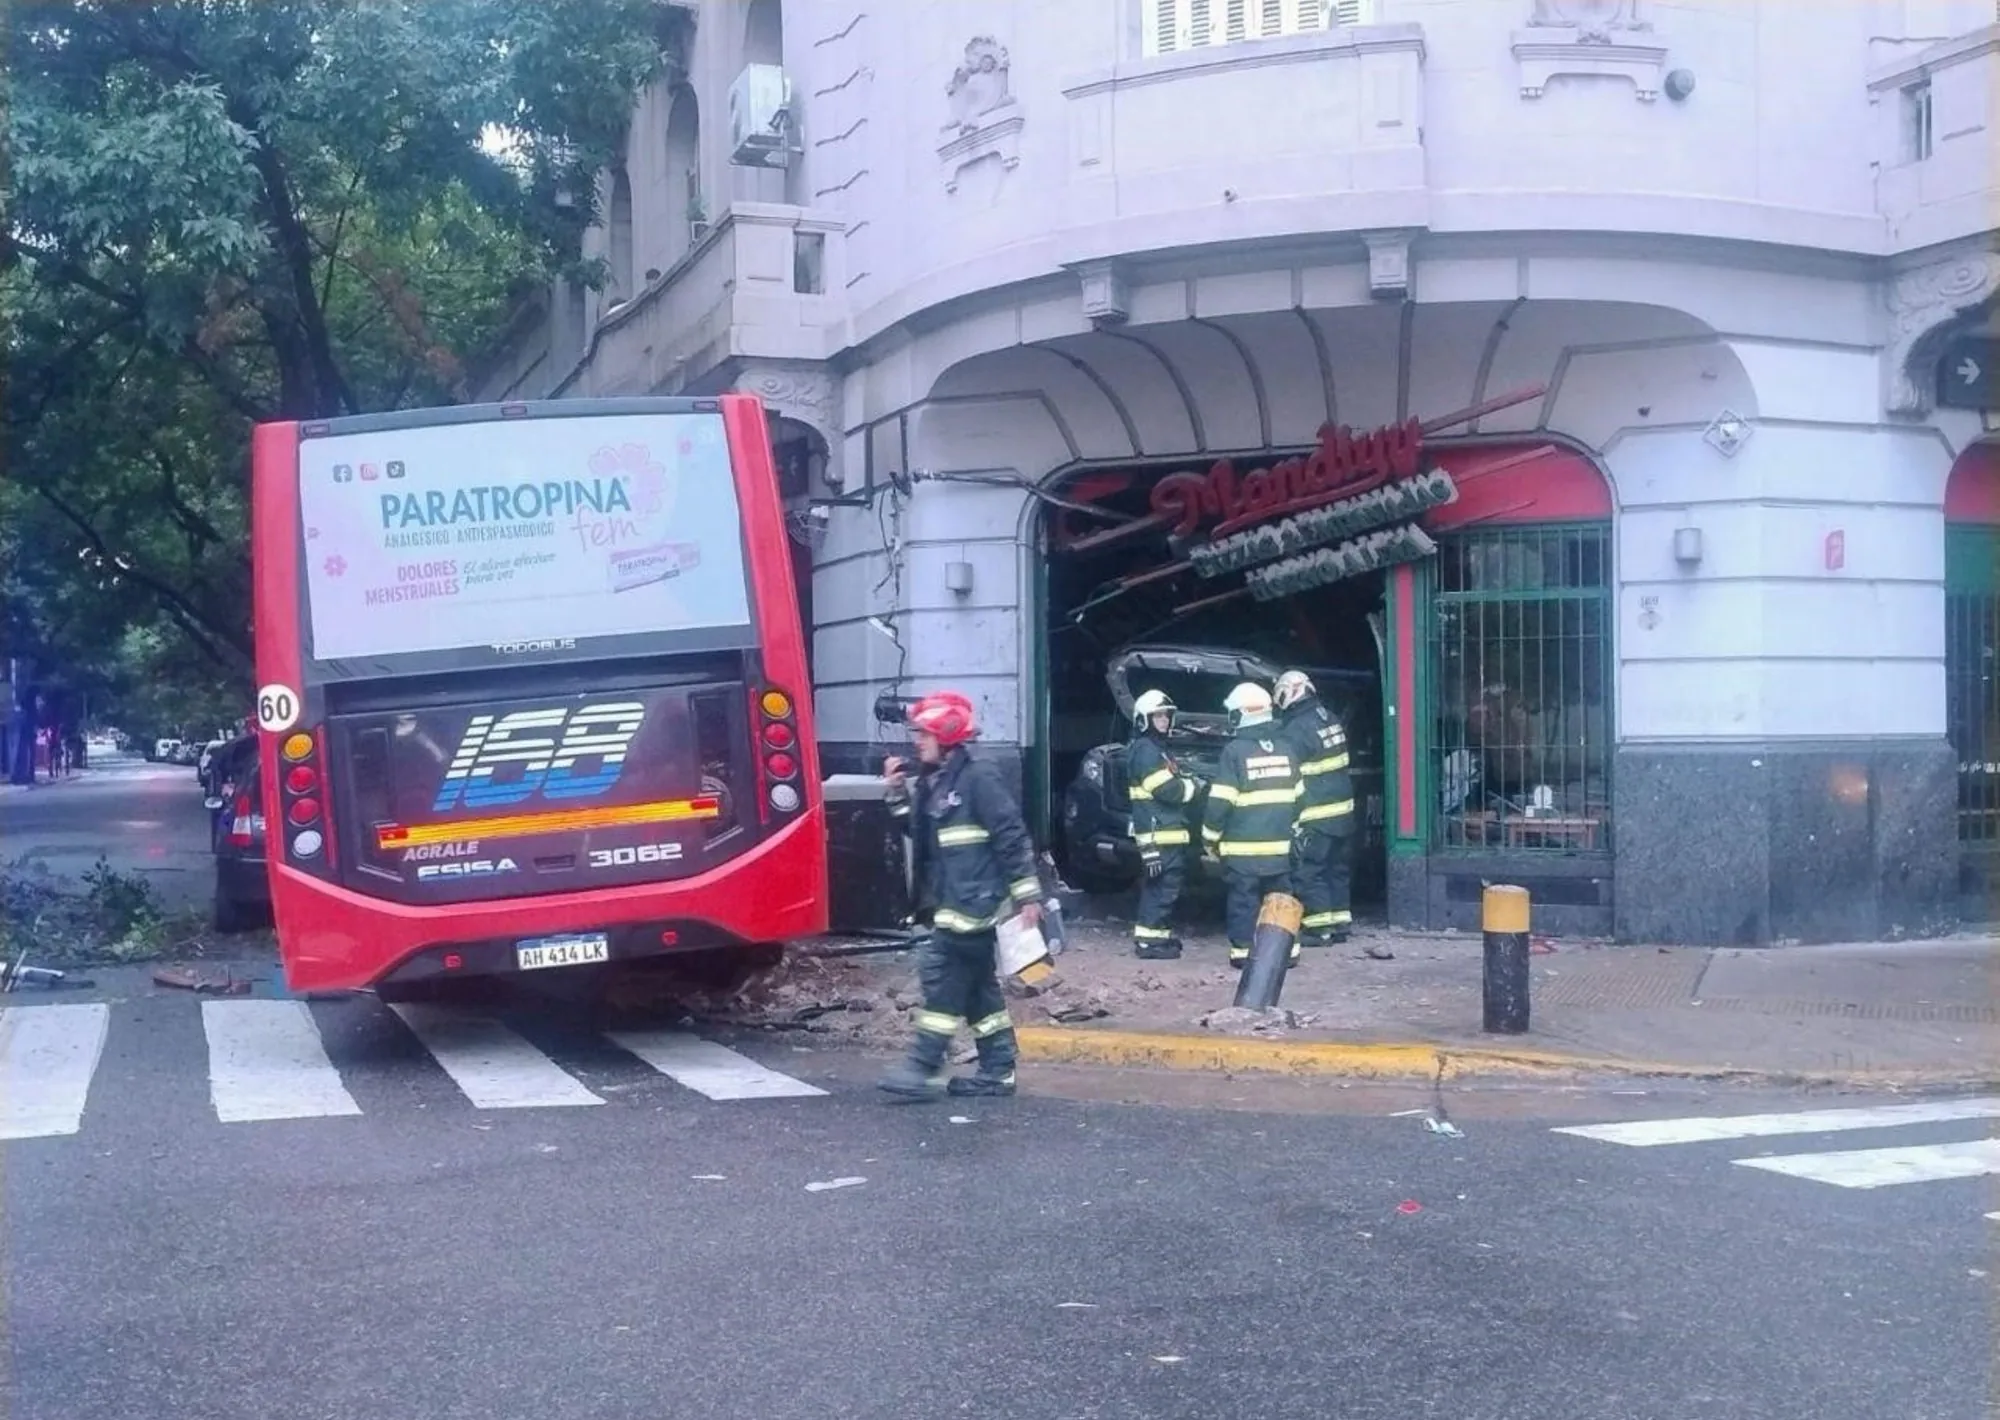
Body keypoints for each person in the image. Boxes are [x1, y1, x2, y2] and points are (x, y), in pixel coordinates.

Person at [879, 690, 1043, 1101]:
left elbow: (1010, 834)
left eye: (924, 734)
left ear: (946, 736)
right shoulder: (937, 781)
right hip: (950, 904)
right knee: (977, 991)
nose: (917, 742)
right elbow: (920, 836)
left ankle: (923, 1066)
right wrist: (896, 793)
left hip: (974, 907)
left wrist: (1027, 896)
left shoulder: (978, 776)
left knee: (943, 980)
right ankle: (998, 1069)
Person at [1276, 670, 1388, 958]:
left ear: (1289, 692)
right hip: (1343, 811)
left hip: (1316, 813)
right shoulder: (1330, 718)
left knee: (1309, 871)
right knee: (1336, 869)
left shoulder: (1296, 729)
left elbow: (1288, 773)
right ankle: (1339, 923)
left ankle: (1318, 928)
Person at [1202, 682, 1303, 970]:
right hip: (1280, 848)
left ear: (1241, 715)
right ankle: (1289, 951)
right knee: (1281, 899)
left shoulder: (1234, 752)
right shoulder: (1286, 749)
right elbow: (1300, 797)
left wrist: (1209, 838)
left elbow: (1220, 802)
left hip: (1243, 851)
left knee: (1244, 903)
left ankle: (1244, 954)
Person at [1126, 688, 1199, 960]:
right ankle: (1148, 943)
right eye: (1158, 716)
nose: (1164, 721)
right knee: (1160, 889)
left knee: (1165, 889)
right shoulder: (1146, 750)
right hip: (1159, 835)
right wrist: (1193, 787)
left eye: (1166, 716)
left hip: (1167, 834)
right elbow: (1169, 791)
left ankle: (1159, 936)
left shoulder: (1158, 750)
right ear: (1144, 719)